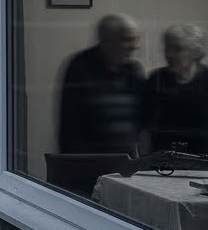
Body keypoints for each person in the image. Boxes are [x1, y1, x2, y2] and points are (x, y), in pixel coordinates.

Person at [143, 23, 208, 160]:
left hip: (206, 168)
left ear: (195, 52)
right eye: (167, 47)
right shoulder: (156, 79)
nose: (169, 54)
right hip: (163, 167)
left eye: (178, 49)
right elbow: (144, 127)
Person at [58, 14, 147, 155]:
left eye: (136, 39)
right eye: (128, 40)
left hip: (127, 162)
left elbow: (142, 119)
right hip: (91, 161)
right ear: (107, 41)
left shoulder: (134, 70)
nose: (135, 46)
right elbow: (69, 125)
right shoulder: (79, 67)